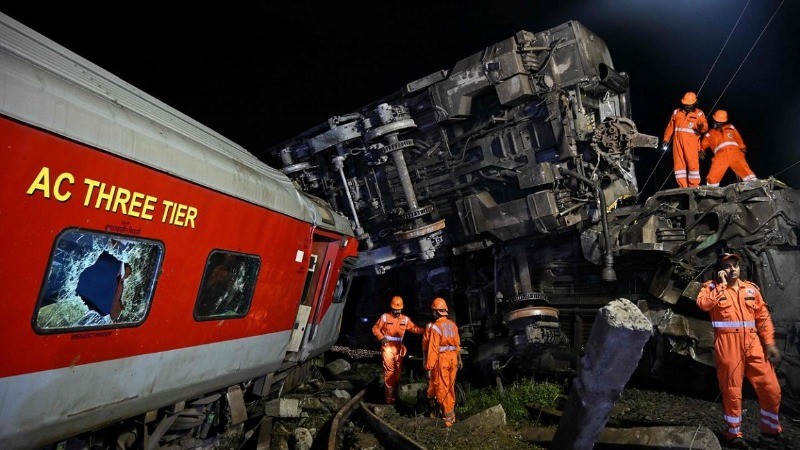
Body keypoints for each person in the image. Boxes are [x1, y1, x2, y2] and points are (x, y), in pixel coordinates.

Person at [696, 252, 783, 448]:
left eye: (735, 265)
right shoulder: (710, 288)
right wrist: (721, 286)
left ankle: (771, 433)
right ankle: (733, 435)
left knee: (772, 389)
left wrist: (769, 343)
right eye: (727, 266)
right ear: (721, 270)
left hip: (753, 343)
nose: (732, 268)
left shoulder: (751, 290)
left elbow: (763, 318)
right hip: (728, 344)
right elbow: (703, 304)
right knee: (732, 392)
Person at [372, 296, 424, 405]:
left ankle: (395, 396)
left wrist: (427, 330)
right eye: (395, 309)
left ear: (402, 308)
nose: (397, 311)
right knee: (390, 372)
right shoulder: (385, 317)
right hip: (388, 348)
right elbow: (375, 328)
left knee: (398, 373)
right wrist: (381, 338)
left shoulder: (405, 319)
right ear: (391, 307)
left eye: (398, 309)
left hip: (399, 349)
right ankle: (390, 401)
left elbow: (415, 328)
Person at [424, 297, 463, 428]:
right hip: (453, 359)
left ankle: (447, 420)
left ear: (436, 312)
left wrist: (428, 366)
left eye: (433, 311)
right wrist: (459, 359)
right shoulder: (453, 325)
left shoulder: (436, 327)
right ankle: (452, 416)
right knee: (450, 388)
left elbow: (433, 348)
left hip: (443, 360)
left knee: (443, 389)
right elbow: (457, 344)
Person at [662, 91, 708, 188]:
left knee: (692, 164)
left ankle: (694, 185)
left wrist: (700, 126)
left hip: (691, 143)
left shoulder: (699, 114)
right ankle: (683, 186)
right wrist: (666, 139)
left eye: (689, 105)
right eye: (685, 104)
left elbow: (704, 128)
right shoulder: (676, 112)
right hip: (677, 143)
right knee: (679, 166)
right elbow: (670, 126)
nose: (687, 106)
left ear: (695, 103)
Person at [700, 110, 757, 187]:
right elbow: (702, 145)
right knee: (714, 174)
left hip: (735, 153)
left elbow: (738, 138)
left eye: (721, 122)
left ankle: (754, 185)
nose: (719, 124)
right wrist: (701, 150)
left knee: (745, 170)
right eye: (717, 121)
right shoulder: (709, 134)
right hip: (720, 156)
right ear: (714, 119)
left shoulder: (730, 127)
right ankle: (711, 189)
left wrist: (742, 148)